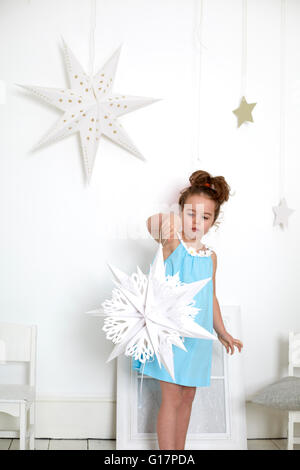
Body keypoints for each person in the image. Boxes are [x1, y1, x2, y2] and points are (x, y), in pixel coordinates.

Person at [132, 169, 243, 450]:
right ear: (180, 212)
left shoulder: (210, 257)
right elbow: (150, 223)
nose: (196, 222)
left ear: (214, 222)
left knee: (187, 397)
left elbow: (211, 296)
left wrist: (223, 332)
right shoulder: (172, 243)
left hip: (198, 337)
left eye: (205, 217)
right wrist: (171, 220)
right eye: (190, 214)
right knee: (171, 397)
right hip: (170, 334)